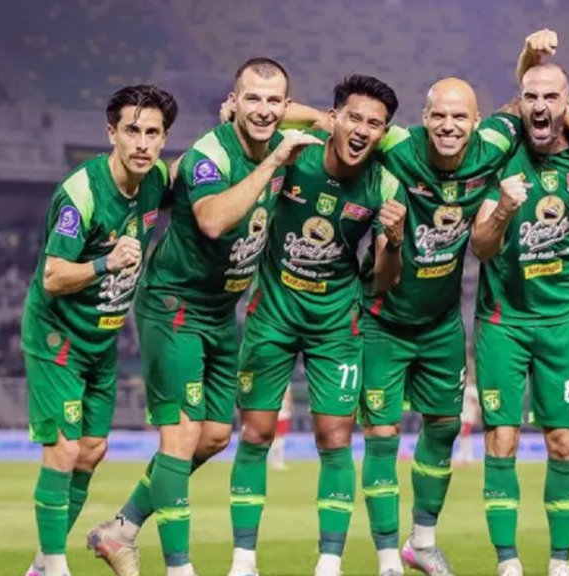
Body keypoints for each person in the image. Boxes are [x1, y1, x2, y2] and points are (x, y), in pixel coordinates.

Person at [87, 58, 322, 576]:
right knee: (180, 438)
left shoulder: (277, 127)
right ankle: (179, 568)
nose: (263, 110)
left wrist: (310, 120)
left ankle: (120, 529)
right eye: (251, 99)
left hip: (219, 313)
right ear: (232, 103)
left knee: (215, 436)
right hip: (174, 307)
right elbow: (213, 221)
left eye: (273, 101)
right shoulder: (207, 157)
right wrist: (273, 161)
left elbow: (311, 119)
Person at [226, 73, 406, 576]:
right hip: (275, 313)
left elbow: (385, 282)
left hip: (335, 320)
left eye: (375, 124)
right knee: (257, 433)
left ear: (383, 131)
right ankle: (243, 560)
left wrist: (393, 241)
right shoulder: (293, 152)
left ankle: (329, 563)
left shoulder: (384, 182)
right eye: (354, 117)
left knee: (335, 437)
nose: (362, 130)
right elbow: (262, 115)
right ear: (334, 118)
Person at [23, 84, 177, 576]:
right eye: (131, 131)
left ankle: (40, 565)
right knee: (65, 449)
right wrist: (106, 263)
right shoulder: (82, 193)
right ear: (110, 132)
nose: (142, 143)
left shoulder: (155, 179)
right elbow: (52, 277)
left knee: (92, 450)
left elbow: (202, 169)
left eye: (152, 133)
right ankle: (54, 566)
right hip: (57, 336)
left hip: (101, 339)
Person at [471, 29, 569, 576]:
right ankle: (507, 562)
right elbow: (481, 246)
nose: (541, 105)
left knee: (562, 444)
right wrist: (504, 210)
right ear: (517, 102)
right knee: (502, 439)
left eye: (553, 97)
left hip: (560, 322)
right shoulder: (497, 148)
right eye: (531, 96)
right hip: (503, 321)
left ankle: (559, 562)